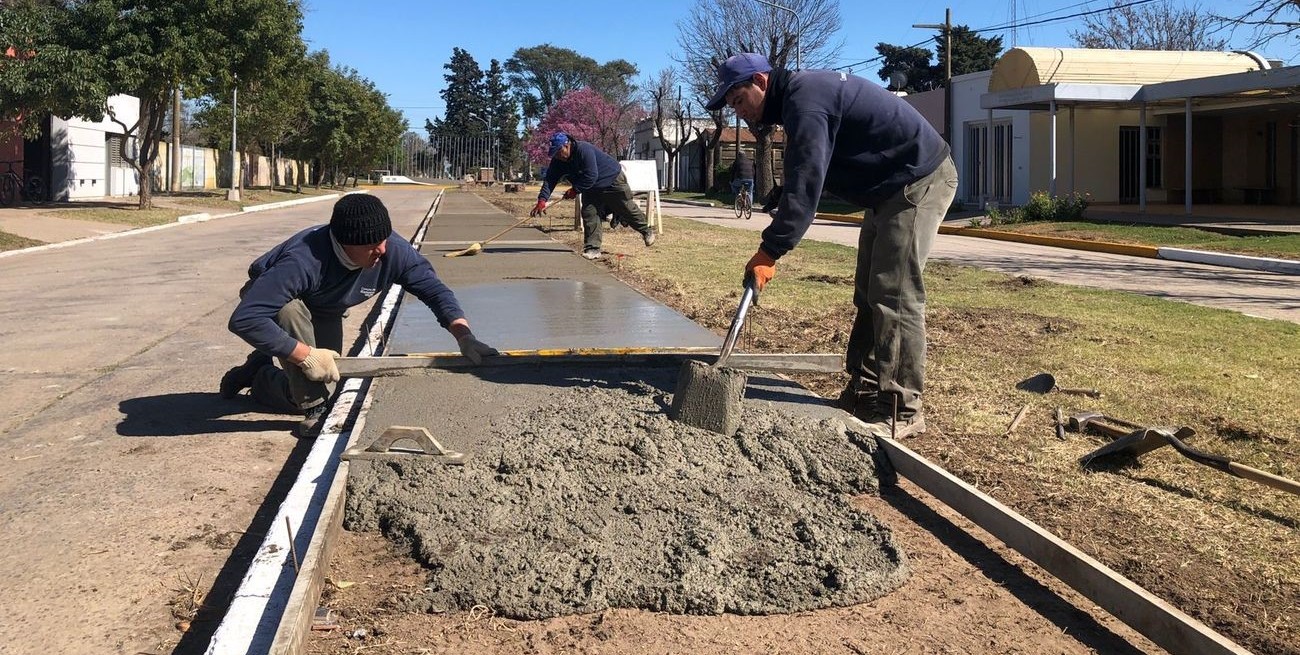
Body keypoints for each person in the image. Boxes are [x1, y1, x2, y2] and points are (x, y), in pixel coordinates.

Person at [706, 53, 958, 439]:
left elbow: (808, 181)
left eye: (739, 101)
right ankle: (865, 392)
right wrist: (784, 191)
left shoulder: (805, 101)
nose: (739, 113)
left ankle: (902, 409)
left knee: (895, 293)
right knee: (868, 293)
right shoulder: (798, 101)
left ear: (760, 80)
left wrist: (770, 251)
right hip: (887, 188)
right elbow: (808, 164)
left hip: (917, 179)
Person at [219, 194, 499, 437]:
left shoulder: (392, 251)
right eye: (371, 245)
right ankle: (314, 410)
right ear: (344, 243)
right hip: (278, 301)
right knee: (299, 343)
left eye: (383, 240)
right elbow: (246, 317)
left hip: (327, 308)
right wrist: (305, 355)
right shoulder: (303, 260)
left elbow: (434, 291)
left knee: (322, 383)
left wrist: (464, 336)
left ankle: (258, 374)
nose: (381, 250)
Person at [530, 132, 656, 259]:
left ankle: (646, 231)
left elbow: (591, 175)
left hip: (611, 179)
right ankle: (593, 248)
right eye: (554, 153)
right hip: (590, 186)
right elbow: (550, 180)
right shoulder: (558, 161)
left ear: (567, 145)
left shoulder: (583, 149)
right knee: (589, 212)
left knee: (625, 208)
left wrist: (575, 190)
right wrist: (542, 200)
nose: (557, 156)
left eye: (558, 151)